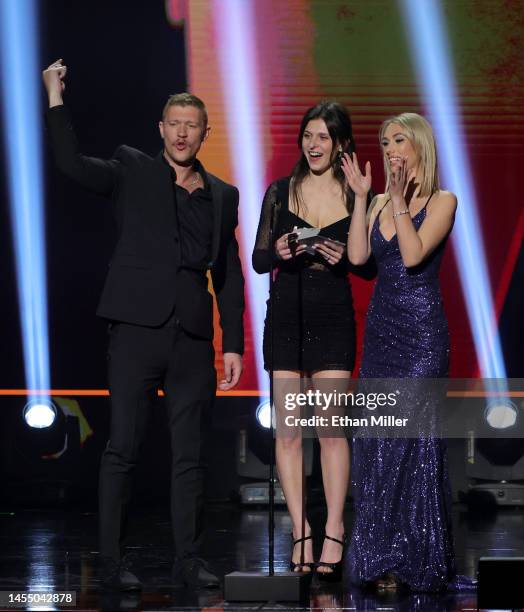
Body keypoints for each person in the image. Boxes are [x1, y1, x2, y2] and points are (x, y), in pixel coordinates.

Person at [42, 59, 244, 590]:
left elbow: (228, 274)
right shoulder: (132, 167)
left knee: (191, 457)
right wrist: (55, 97)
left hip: (193, 339)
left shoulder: (223, 195)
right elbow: (70, 165)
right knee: (123, 448)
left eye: (191, 124)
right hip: (134, 329)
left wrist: (235, 344)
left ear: (205, 133)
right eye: (173, 123)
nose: (182, 132)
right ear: (161, 130)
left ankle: (188, 560)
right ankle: (111, 561)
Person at [341, 112, 470, 591]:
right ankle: (381, 556)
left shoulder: (443, 200)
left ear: (418, 145)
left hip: (421, 337)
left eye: (398, 139)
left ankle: (415, 557)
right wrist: (361, 200)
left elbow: (413, 254)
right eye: (384, 140)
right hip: (381, 334)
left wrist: (397, 200)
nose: (390, 147)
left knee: (409, 445)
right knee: (377, 443)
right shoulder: (376, 202)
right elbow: (358, 258)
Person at [252, 101, 357, 582]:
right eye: (308, 136)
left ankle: (334, 528)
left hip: (333, 313)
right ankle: (301, 531)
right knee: (290, 433)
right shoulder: (279, 191)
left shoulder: (356, 196)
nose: (313, 145)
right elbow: (257, 258)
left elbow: (371, 264)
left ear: (339, 144)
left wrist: (346, 257)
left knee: (331, 429)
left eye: (323, 137)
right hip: (287, 315)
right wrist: (276, 249)